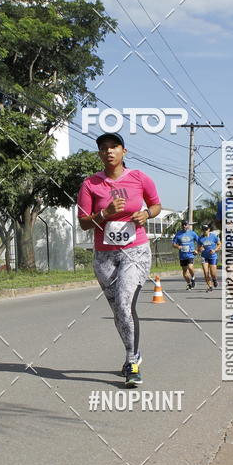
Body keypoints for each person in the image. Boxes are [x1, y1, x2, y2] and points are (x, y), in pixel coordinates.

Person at [77, 133, 161, 387]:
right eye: (103, 148)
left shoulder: (139, 178)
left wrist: (146, 214)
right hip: (104, 255)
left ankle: (131, 362)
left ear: (124, 151)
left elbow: (156, 205)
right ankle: (134, 350)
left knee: (125, 304)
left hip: (135, 251)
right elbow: (84, 223)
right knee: (119, 311)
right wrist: (104, 213)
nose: (109, 151)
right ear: (99, 154)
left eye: (114, 147)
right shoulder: (90, 184)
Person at [172, 220, 199, 289]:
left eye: (185, 224)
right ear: (181, 226)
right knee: (184, 272)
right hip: (182, 255)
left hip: (190, 254)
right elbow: (173, 244)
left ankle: (193, 277)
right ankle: (189, 283)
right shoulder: (178, 234)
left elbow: (200, 242)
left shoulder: (192, 233)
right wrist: (178, 246)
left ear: (188, 225)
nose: (184, 226)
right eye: (183, 224)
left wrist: (197, 250)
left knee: (190, 267)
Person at [197, 224, 221, 291]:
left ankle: (214, 279)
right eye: (203, 229)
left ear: (209, 229)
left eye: (206, 229)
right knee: (206, 272)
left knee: (213, 273)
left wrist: (214, 250)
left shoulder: (214, 236)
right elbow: (199, 248)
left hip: (212, 257)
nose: (205, 231)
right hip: (204, 257)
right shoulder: (200, 238)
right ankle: (210, 286)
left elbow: (219, 244)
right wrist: (200, 249)